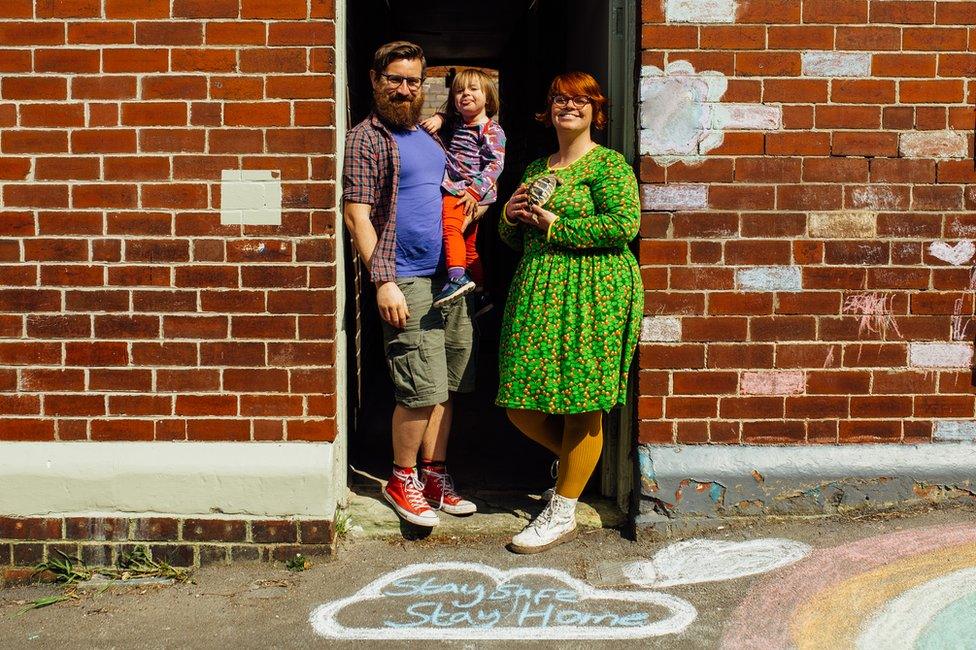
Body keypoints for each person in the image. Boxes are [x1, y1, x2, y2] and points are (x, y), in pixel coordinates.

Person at [498, 72, 643, 553]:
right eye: (559, 98)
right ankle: (575, 466)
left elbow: (624, 225)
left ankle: (562, 512)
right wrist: (510, 216)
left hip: (594, 291)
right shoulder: (539, 167)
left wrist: (559, 224)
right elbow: (514, 239)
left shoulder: (608, 166)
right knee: (520, 401)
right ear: (548, 109)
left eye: (580, 100)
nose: (569, 106)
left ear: (595, 111)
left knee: (584, 404)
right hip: (540, 289)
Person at [342, 41, 480, 528]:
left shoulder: (429, 137)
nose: (404, 89)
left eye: (413, 81)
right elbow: (356, 214)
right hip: (407, 277)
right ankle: (403, 478)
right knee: (418, 387)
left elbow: (445, 193)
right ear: (376, 81)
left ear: (424, 86)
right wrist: (383, 281)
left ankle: (434, 474)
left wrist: (470, 205)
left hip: (449, 277)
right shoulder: (368, 138)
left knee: (445, 387)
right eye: (394, 79)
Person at [419, 68, 506, 310]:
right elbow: (447, 117)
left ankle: (457, 277)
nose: (465, 94)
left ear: (488, 97)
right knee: (468, 244)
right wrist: (439, 118)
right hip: (465, 191)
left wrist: (474, 192)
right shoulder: (457, 123)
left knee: (450, 229)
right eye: (459, 91)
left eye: (472, 89)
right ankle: (480, 291)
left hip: (464, 192)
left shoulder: (491, 130)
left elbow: (495, 164)